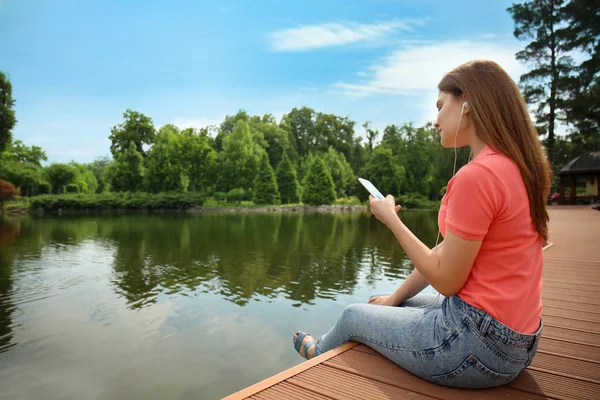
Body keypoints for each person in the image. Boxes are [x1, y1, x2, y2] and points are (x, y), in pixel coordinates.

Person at [292, 59, 552, 389]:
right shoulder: (517, 168)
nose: (435, 120)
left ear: (468, 105)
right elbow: (443, 254)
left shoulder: (477, 177)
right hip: (519, 342)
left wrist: (392, 221)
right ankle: (387, 304)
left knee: (353, 315)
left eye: (441, 106)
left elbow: (445, 280)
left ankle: (318, 354)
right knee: (385, 300)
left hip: (478, 350)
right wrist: (393, 299)